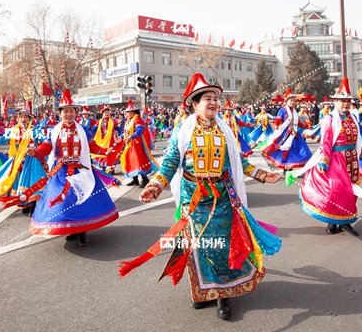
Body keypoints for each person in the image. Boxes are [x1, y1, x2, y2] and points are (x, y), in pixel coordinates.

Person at [120, 73, 282, 320]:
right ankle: (200, 292)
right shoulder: (183, 131)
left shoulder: (225, 130)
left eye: (216, 98)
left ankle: (221, 295)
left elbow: (237, 162)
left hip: (222, 199)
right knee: (197, 249)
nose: (214, 103)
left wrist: (262, 175)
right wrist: (154, 186)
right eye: (208, 98)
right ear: (194, 104)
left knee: (220, 247)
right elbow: (171, 163)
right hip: (193, 200)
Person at [25, 90, 119, 246]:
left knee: (82, 201)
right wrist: (35, 152)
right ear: (60, 114)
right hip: (60, 172)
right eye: (65, 111)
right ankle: (70, 229)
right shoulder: (54, 131)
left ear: (76, 112)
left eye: (71, 111)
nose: (68, 114)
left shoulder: (83, 130)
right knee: (63, 202)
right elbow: (46, 147)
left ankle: (81, 232)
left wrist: (104, 151)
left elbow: (92, 146)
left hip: (80, 170)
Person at [289, 78, 362, 236]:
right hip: (336, 159)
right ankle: (333, 220)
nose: (345, 103)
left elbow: (357, 137)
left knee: (351, 191)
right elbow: (325, 141)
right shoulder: (329, 119)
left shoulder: (353, 117)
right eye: (342, 100)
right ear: (335, 102)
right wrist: (324, 161)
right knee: (337, 191)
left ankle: (346, 221)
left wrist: (360, 152)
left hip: (351, 159)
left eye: (347, 101)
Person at [0, 101, 46, 215]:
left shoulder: (35, 131)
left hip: (32, 160)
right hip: (18, 161)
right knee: (19, 183)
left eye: (26, 117)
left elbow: (45, 143)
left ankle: (34, 206)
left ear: (30, 119)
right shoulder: (13, 131)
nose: (23, 119)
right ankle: (25, 204)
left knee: (33, 182)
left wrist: (38, 151)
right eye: (21, 116)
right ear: (18, 118)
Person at [261, 88, 312, 171]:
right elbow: (278, 119)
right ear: (286, 101)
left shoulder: (295, 111)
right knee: (285, 151)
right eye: (291, 100)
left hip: (294, 134)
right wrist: (276, 125)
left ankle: (290, 168)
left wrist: (307, 126)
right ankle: (285, 169)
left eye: (293, 101)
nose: (292, 102)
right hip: (285, 134)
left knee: (300, 150)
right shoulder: (282, 110)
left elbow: (298, 122)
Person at [120, 100, 159, 187]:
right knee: (130, 160)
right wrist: (121, 137)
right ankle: (135, 179)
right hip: (129, 144)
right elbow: (126, 132)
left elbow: (139, 129)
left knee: (138, 161)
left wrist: (132, 136)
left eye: (128, 112)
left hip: (136, 144)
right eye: (126, 112)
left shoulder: (137, 119)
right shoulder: (128, 121)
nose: (126, 114)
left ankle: (145, 179)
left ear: (133, 112)